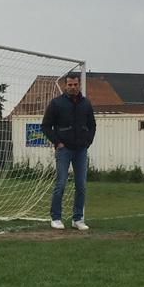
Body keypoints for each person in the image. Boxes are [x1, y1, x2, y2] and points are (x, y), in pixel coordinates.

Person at [41, 73, 96, 231]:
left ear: (79, 85)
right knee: (60, 183)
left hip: (81, 150)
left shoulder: (86, 103)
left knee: (81, 185)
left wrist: (88, 141)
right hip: (64, 149)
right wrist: (58, 143)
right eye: (70, 85)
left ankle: (78, 218)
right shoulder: (56, 103)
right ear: (65, 85)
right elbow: (45, 126)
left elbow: (92, 125)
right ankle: (56, 217)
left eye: (75, 85)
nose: (73, 87)